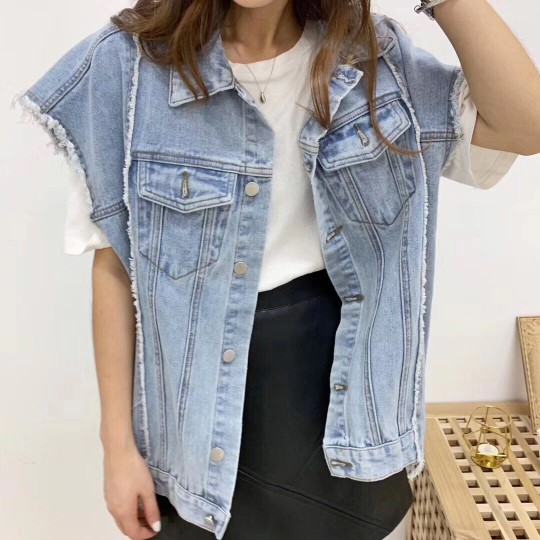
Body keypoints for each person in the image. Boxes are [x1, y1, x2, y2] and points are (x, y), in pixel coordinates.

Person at [13, 0, 539, 539]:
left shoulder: (375, 61)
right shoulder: (127, 70)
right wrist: (117, 447)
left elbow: (527, 125)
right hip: (193, 436)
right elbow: (115, 270)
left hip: (343, 421)